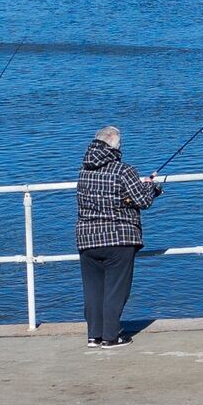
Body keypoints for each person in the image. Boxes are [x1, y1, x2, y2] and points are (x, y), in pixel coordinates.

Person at [74, 126, 161, 348]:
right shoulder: (123, 170)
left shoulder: (84, 171)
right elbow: (143, 201)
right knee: (116, 289)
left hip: (87, 238)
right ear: (114, 145)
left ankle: (94, 335)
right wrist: (153, 188)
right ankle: (111, 336)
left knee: (93, 289)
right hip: (118, 238)